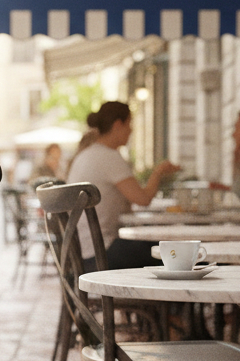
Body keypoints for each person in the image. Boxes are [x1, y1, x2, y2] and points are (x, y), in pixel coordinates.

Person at [67, 101, 180, 271]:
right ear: (118, 124)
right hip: (102, 254)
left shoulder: (84, 155)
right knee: (177, 254)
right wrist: (158, 172)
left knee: (168, 250)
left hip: (83, 254)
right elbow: (143, 199)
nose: (131, 130)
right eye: (130, 124)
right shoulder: (109, 157)